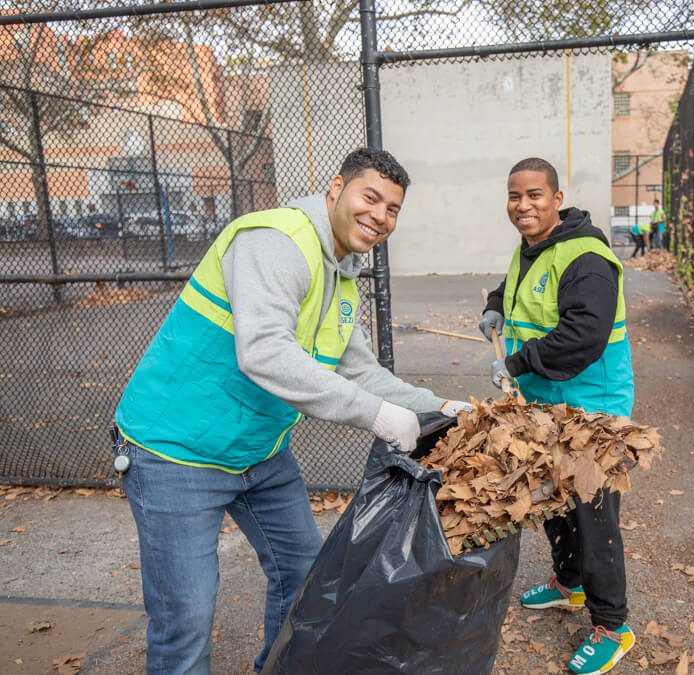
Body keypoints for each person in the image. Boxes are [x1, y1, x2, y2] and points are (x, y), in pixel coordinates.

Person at [113, 147, 470, 674]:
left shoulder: (342, 277)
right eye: (370, 197)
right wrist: (375, 416)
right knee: (185, 615)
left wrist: (438, 405)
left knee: (304, 577)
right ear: (335, 188)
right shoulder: (278, 241)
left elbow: (362, 373)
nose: (380, 216)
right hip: (175, 452)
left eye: (393, 209)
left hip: (258, 452)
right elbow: (264, 352)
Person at [478, 157, 635, 674]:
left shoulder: (586, 258)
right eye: (514, 196)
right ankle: (569, 585)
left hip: (593, 413)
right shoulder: (532, 249)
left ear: (557, 198)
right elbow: (517, 288)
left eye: (535, 196)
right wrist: (494, 307)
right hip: (548, 406)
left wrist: (516, 362)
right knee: (555, 504)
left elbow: (583, 337)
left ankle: (613, 626)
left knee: (595, 518)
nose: (523, 206)